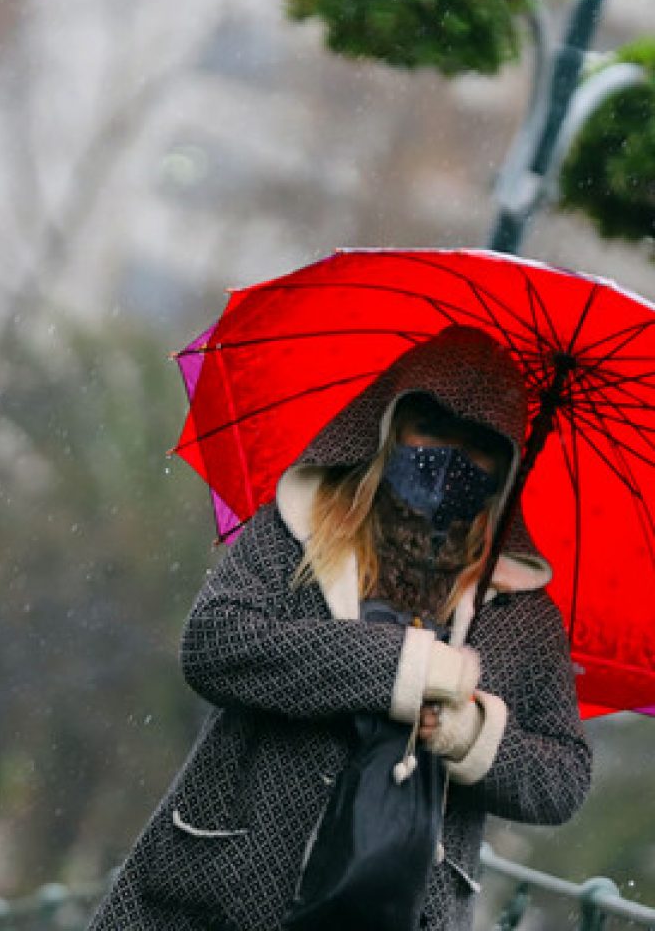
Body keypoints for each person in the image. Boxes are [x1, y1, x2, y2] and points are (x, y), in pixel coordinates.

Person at [88, 325, 591, 931]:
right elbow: (215, 641)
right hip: (220, 892)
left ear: (507, 464)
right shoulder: (301, 528)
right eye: (432, 427)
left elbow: (564, 777)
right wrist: (397, 668)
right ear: (390, 424)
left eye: (478, 443)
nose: (451, 455)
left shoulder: (520, 611)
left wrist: (467, 732)